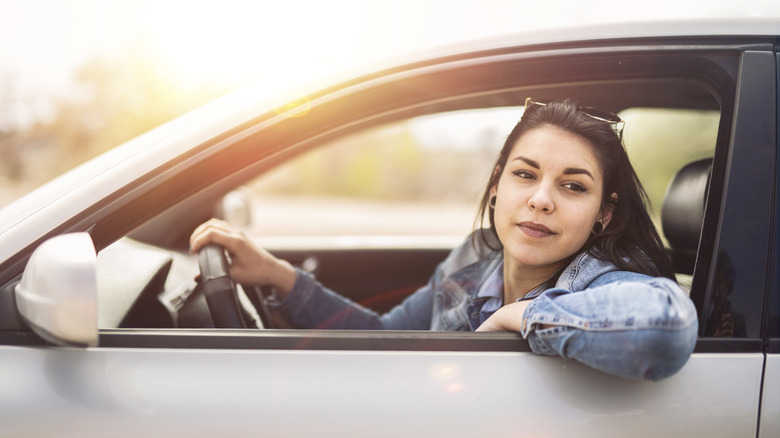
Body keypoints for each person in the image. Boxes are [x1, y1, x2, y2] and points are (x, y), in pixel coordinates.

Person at [189, 98, 698, 380]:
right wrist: (278, 274)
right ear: (497, 185)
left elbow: (665, 327)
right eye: (525, 175)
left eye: (573, 186)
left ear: (604, 214)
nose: (542, 199)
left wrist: (515, 315)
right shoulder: (473, 259)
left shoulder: (604, 286)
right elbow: (388, 337)